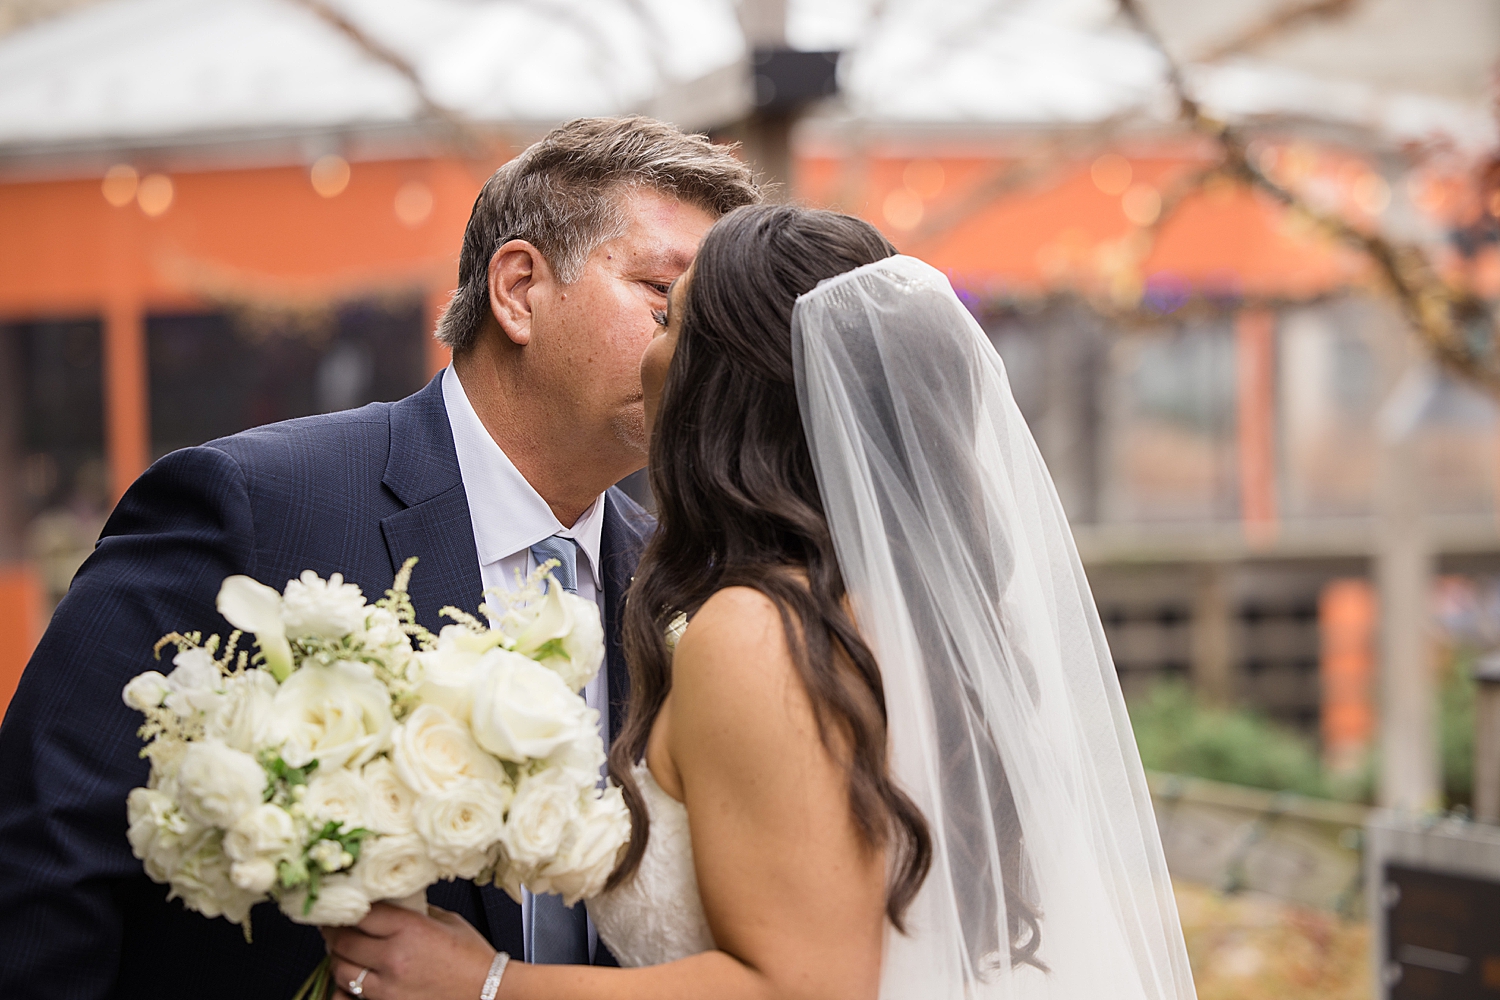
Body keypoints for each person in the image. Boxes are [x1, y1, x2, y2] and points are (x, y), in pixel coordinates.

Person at [319, 205, 1199, 999]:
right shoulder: (893, 617)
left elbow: (803, 988)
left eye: (670, 320)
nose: (649, 351)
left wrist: (487, 986)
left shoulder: (756, 629)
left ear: (729, 383)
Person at [0, 116, 759, 1000]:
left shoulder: (683, 581)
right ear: (518, 290)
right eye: (664, 300)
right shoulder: (253, 509)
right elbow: (46, 860)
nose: (697, 354)